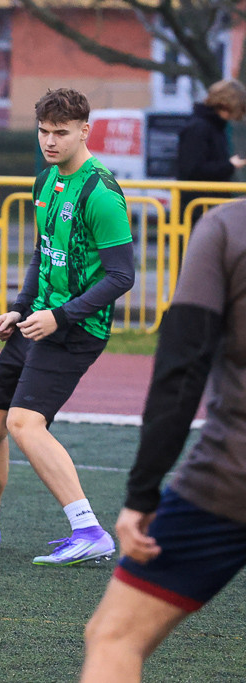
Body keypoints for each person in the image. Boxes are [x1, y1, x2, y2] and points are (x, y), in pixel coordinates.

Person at [0, 88, 135, 566]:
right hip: (38, 320)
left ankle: (91, 532)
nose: (50, 141)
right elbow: (44, 252)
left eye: (61, 133)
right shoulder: (46, 181)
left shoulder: (101, 192)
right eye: (43, 131)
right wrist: (21, 307)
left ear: (85, 130)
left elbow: (123, 276)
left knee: (24, 421)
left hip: (77, 328)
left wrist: (59, 315)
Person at [81, 198, 246, 681]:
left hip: (230, 480)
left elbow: (181, 370)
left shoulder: (227, 226)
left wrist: (141, 494)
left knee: (114, 637)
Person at [176, 78, 246, 226]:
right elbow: (192, 169)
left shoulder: (214, 127)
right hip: (197, 210)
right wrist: (229, 165)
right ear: (228, 105)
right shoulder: (199, 128)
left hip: (208, 208)